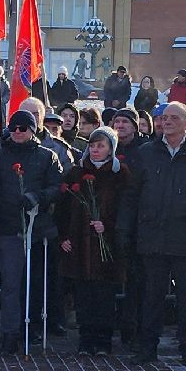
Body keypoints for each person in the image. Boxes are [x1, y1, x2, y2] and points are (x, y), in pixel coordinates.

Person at [120, 102, 186, 368]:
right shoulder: (145, 153)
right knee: (151, 296)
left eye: (174, 118)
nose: (167, 122)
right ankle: (147, 347)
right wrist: (126, 228)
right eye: (164, 118)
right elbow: (132, 195)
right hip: (152, 234)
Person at [0, 110, 61, 355]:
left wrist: (38, 197)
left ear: (32, 130)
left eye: (23, 128)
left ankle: (33, 327)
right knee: (12, 284)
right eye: (13, 128)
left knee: (36, 282)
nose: (17, 132)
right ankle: (10, 333)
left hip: (38, 230)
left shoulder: (47, 157)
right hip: (8, 228)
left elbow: (57, 186)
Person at [57, 127, 129, 355]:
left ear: (111, 148)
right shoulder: (76, 173)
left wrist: (107, 225)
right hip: (79, 244)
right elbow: (63, 209)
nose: (95, 150)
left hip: (106, 246)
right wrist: (63, 236)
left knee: (104, 294)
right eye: (92, 145)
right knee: (83, 294)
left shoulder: (120, 174)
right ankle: (86, 339)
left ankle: (103, 339)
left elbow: (126, 208)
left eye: (101, 146)